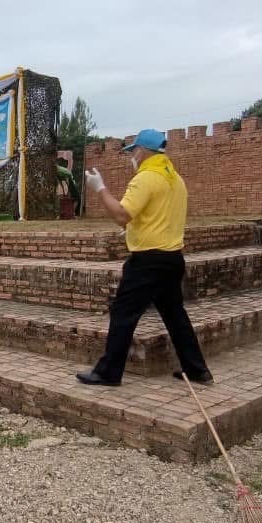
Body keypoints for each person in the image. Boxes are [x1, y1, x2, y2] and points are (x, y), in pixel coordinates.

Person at [76, 128, 212, 387]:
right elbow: (156, 217)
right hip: (172, 258)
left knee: (123, 313)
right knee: (175, 315)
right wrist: (133, 230)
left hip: (147, 262)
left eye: (134, 151)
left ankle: (108, 372)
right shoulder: (176, 180)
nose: (132, 156)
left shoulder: (146, 178)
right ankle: (197, 369)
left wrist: (100, 188)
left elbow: (121, 214)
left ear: (142, 151)